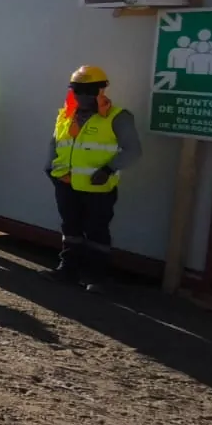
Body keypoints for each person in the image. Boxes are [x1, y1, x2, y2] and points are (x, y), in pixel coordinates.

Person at [48, 64, 141, 289]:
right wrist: (49, 168)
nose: (82, 95)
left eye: (88, 90)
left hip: (97, 188)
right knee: (70, 228)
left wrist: (108, 170)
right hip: (66, 184)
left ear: (101, 90)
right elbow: (56, 143)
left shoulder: (118, 117)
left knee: (96, 231)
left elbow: (133, 151)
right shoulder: (66, 115)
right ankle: (68, 269)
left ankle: (96, 276)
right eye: (77, 89)